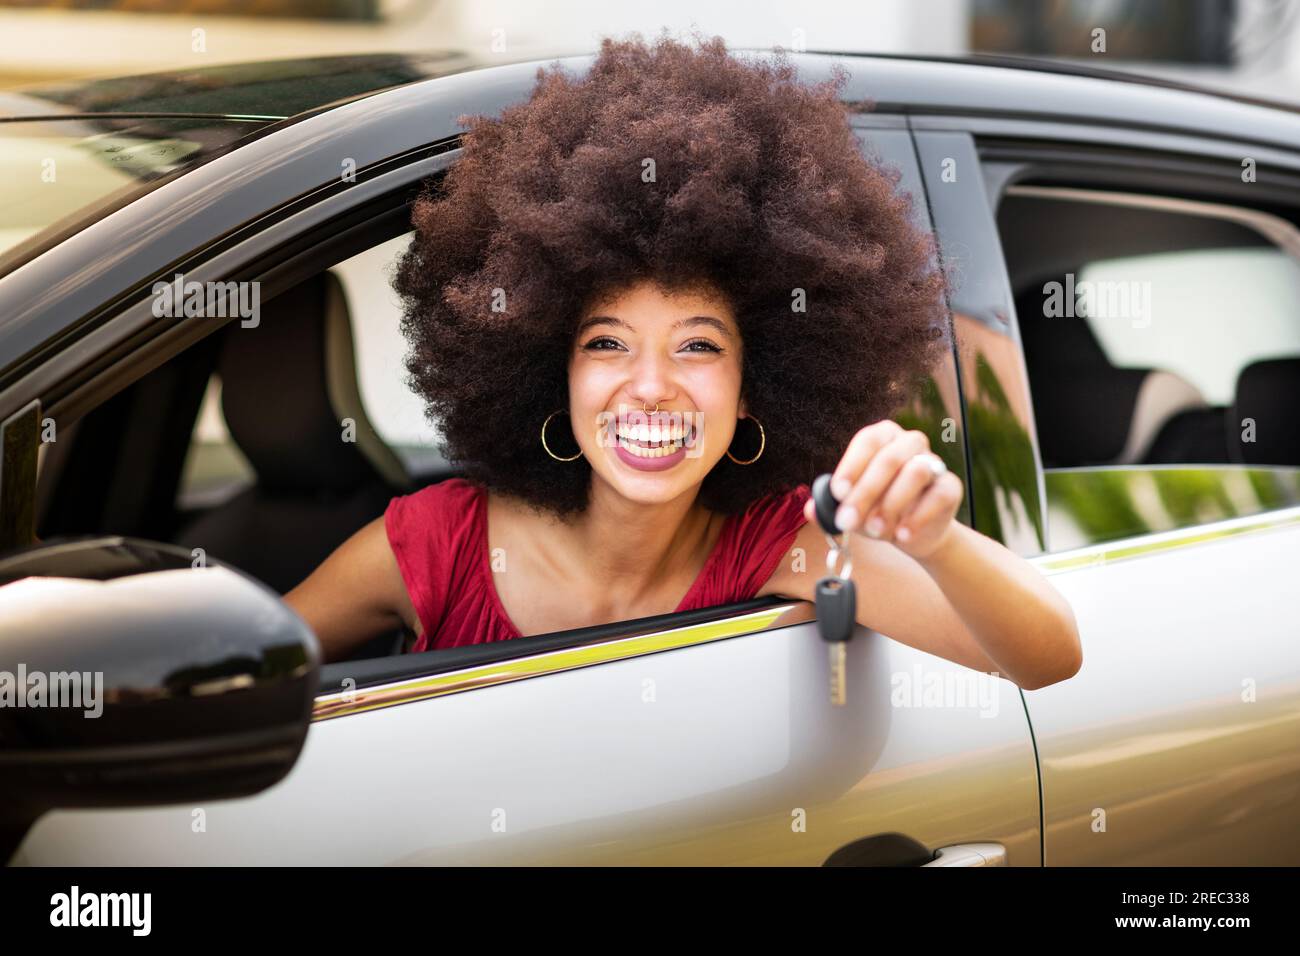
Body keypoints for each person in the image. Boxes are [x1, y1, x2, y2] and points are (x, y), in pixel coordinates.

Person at [285, 33, 1081, 689]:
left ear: (755, 387)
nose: (651, 386)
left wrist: (935, 537)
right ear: (549, 373)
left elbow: (1047, 659)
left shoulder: (783, 543)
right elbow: (218, 681)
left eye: (698, 345)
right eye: (606, 343)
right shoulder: (434, 542)